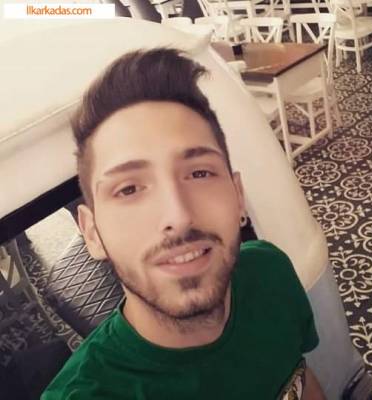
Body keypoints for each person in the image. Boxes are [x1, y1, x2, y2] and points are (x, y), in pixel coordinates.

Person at [42, 48, 325, 400]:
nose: (178, 216)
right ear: (92, 232)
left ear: (238, 195)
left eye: (199, 173)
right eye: (129, 189)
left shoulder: (269, 271)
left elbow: (301, 379)